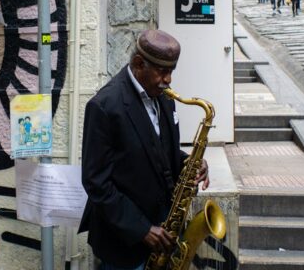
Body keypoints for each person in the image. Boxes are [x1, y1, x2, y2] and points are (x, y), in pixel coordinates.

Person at [79, 29, 210, 270]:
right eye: (163, 71)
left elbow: (158, 153)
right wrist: (142, 230)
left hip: (163, 233)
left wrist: (190, 163)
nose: (169, 79)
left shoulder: (163, 96)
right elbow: (96, 182)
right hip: (125, 246)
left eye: (171, 71)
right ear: (139, 64)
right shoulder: (104, 106)